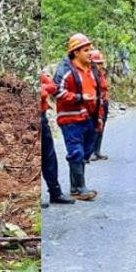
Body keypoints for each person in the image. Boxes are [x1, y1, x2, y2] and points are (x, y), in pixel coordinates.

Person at [55, 33, 101, 201]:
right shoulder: (66, 71)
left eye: (90, 49)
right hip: (71, 118)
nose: (90, 53)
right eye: (86, 50)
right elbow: (57, 92)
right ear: (76, 52)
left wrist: (99, 116)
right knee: (76, 151)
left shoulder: (92, 69)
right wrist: (79, 98)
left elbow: (99, 93)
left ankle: (75, 187)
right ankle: (81, 188)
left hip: (88, 117)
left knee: (86, 152)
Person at [41, 72, 74, 208]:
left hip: (42, 117)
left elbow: (53, 87)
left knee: (49, 156)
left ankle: (55, 192)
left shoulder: (40, 75)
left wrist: (43, 89)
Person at [89, 49, 110, 162]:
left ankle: (97, 151)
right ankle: (91, 151)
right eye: (98, 63)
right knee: (95, 126)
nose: (101, 65)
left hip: (104, 102)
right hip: (97, 103)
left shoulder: (100, 74)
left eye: (101, 63)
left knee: (101, 127)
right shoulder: (90, 75)